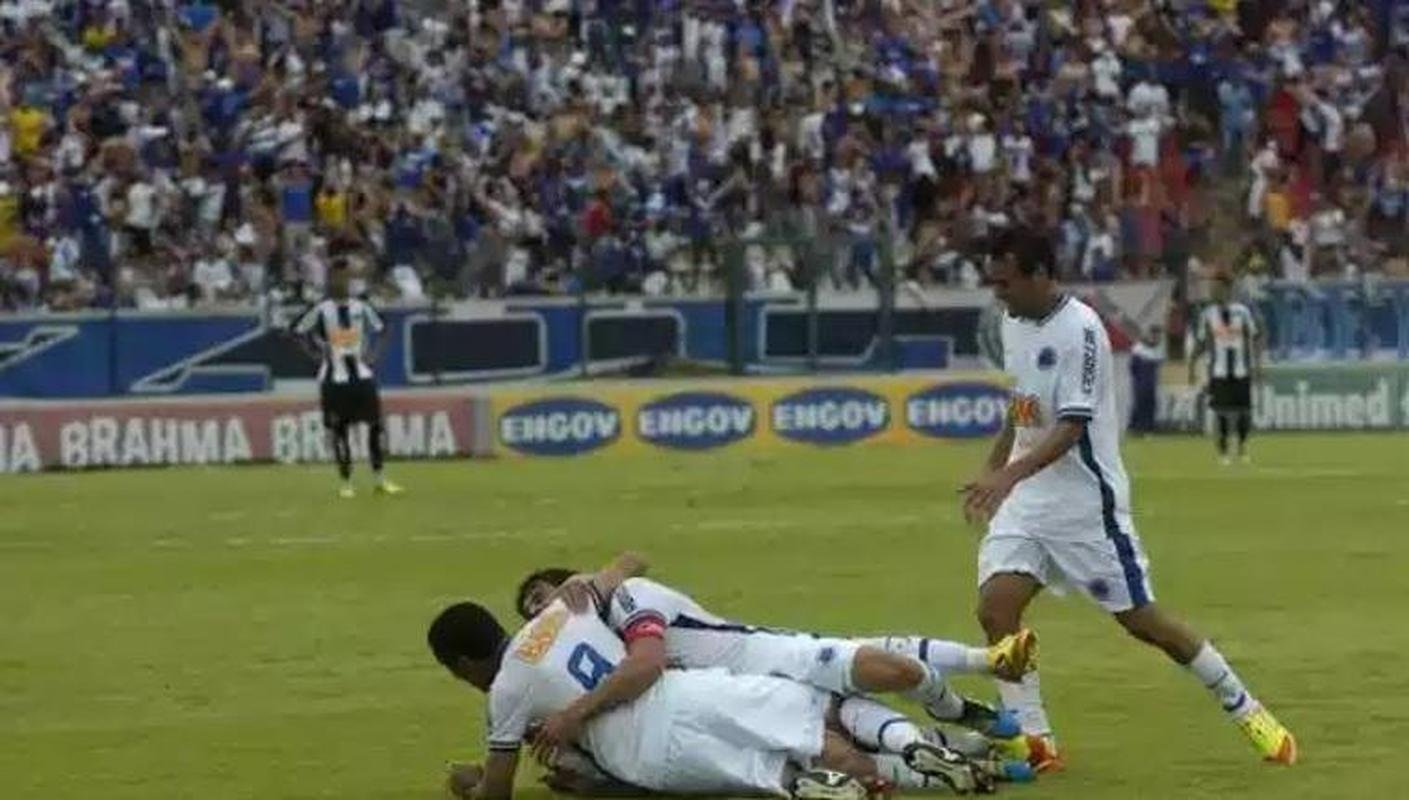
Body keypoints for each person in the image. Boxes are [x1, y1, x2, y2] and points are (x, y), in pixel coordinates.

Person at [959, 231, 1295, 771]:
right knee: (996, 610)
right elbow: (1021, 405)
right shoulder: (1012, 321)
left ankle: (1246, 707)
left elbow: (1071, 426)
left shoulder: (1082, 330)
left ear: (1040, 274)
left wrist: (1007, 476)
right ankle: (1036, 741)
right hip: (1028, 499)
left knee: (1142, 621)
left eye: (1006, 282)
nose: (998, 294)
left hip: (1085, 505)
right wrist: (995, 467)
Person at [426, 601, 991, 800]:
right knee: (812, 727)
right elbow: (619, 575)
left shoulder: (506, 691)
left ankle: (841, 784)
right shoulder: (560, 613)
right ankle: (936, 759)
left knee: (770, 772)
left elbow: (497, 792)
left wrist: (470, 783)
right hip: (684, 689)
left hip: (641, 747)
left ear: (462, 666)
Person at [513, 568, 1038, 744]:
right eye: (531, 608)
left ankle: (965, 699)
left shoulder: (629, 595)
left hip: (761, 657)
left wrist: (592, 578)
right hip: (726, 707)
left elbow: (631, 564)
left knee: (886, 669)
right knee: (847, 740)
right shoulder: (586, 651)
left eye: (543, 592)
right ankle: (971, 750)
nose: (541, 607)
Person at [289, 260, 403, 497]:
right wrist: (315, 356)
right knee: (340, 431)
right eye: (337, 278)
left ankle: (380, 479)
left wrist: (374, 356)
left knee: (375, 426)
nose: (342, 282)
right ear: (330, 281)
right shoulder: (322, 310)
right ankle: (346, 482)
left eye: (345, 278)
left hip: (361, 375)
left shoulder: (361, 308)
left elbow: (382, 330)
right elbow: (298, 332)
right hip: (334, 379)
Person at [1188, 274, 1263, 464]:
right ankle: (1223, 451)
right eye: (1212, 288)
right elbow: (1202, 342)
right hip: (1219, 371)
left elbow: (1252, 338)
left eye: (1217, 287)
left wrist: (1258, 365)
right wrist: (1192, 365)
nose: (1214, 291)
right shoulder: (1208, 314)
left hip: (1241, 369)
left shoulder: (1242, 312)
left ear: (1227, 289)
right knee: (1220, 411)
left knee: (1243, 412)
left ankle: (1242, 447)